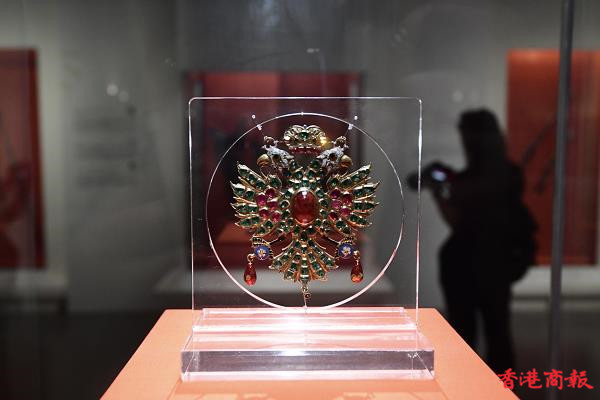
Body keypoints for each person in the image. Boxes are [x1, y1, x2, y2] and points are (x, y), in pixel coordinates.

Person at [418, 109, 536, 373]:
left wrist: (443, 190)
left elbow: (462, 218)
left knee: (476, 340)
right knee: (492, 336)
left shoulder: (488, 180)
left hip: (477, 263)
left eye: (467, 135)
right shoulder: (506, 175)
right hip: (486, 262)